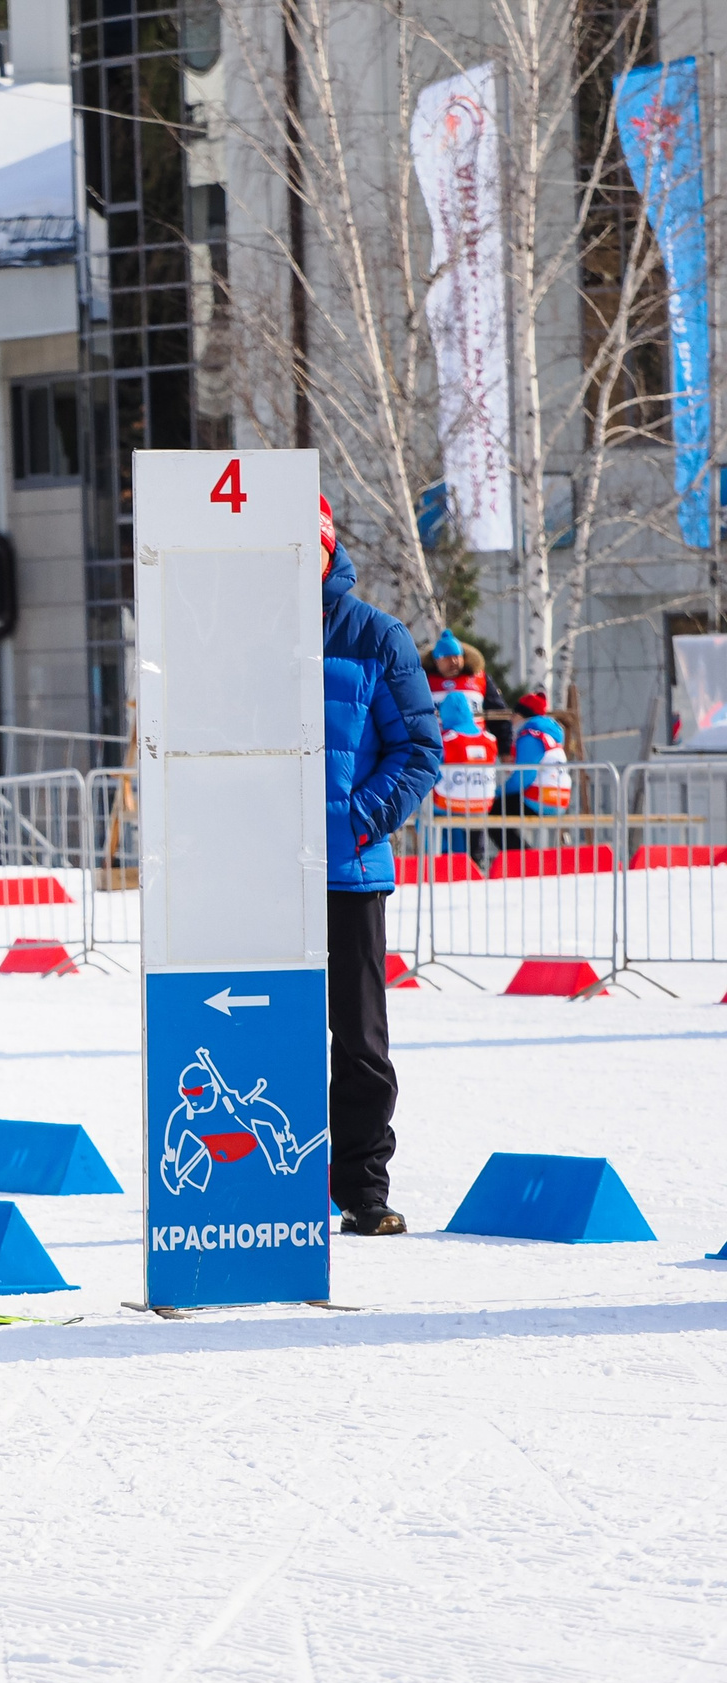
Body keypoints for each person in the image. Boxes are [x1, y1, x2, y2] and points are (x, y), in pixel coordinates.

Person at [319, 498, 441, 1237]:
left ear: (328, 550)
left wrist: (357, 818)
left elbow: (420, 749)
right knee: (274, 1032)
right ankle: (281, 1180)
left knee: (360, 1041)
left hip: (349, 870)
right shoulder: (242, 629)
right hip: (262, 874)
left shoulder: (376, 635)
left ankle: (363, 1186)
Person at [431, 691, 499, 856]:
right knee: (453, 817)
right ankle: (461, 859)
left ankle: (442, 857)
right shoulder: (489, 739)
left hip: (450, 802)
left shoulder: (447, 739)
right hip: (482, 804)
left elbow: (433, 773)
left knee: (426, 814)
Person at [502, 691, 571, 819]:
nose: (511, 719)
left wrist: (495, 793)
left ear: (523, 716)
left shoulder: (531, 737)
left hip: (539, 800)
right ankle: (520, 841)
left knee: (494, 807)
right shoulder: (551, 736)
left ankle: (518, 841)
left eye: (514, 715)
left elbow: (522, 778)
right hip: (560, 799)